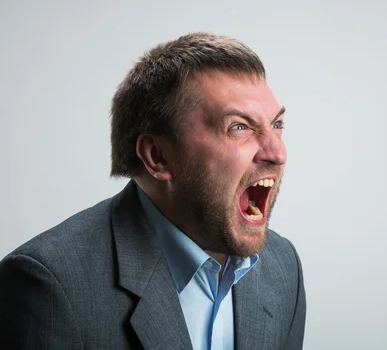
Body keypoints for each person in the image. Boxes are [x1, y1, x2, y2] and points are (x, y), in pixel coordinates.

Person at [0, 33, 306, 350]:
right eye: (239, 127)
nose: (277, 152)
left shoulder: (283, 268)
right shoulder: (49, 285)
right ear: (158, 156)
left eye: (276, 125)